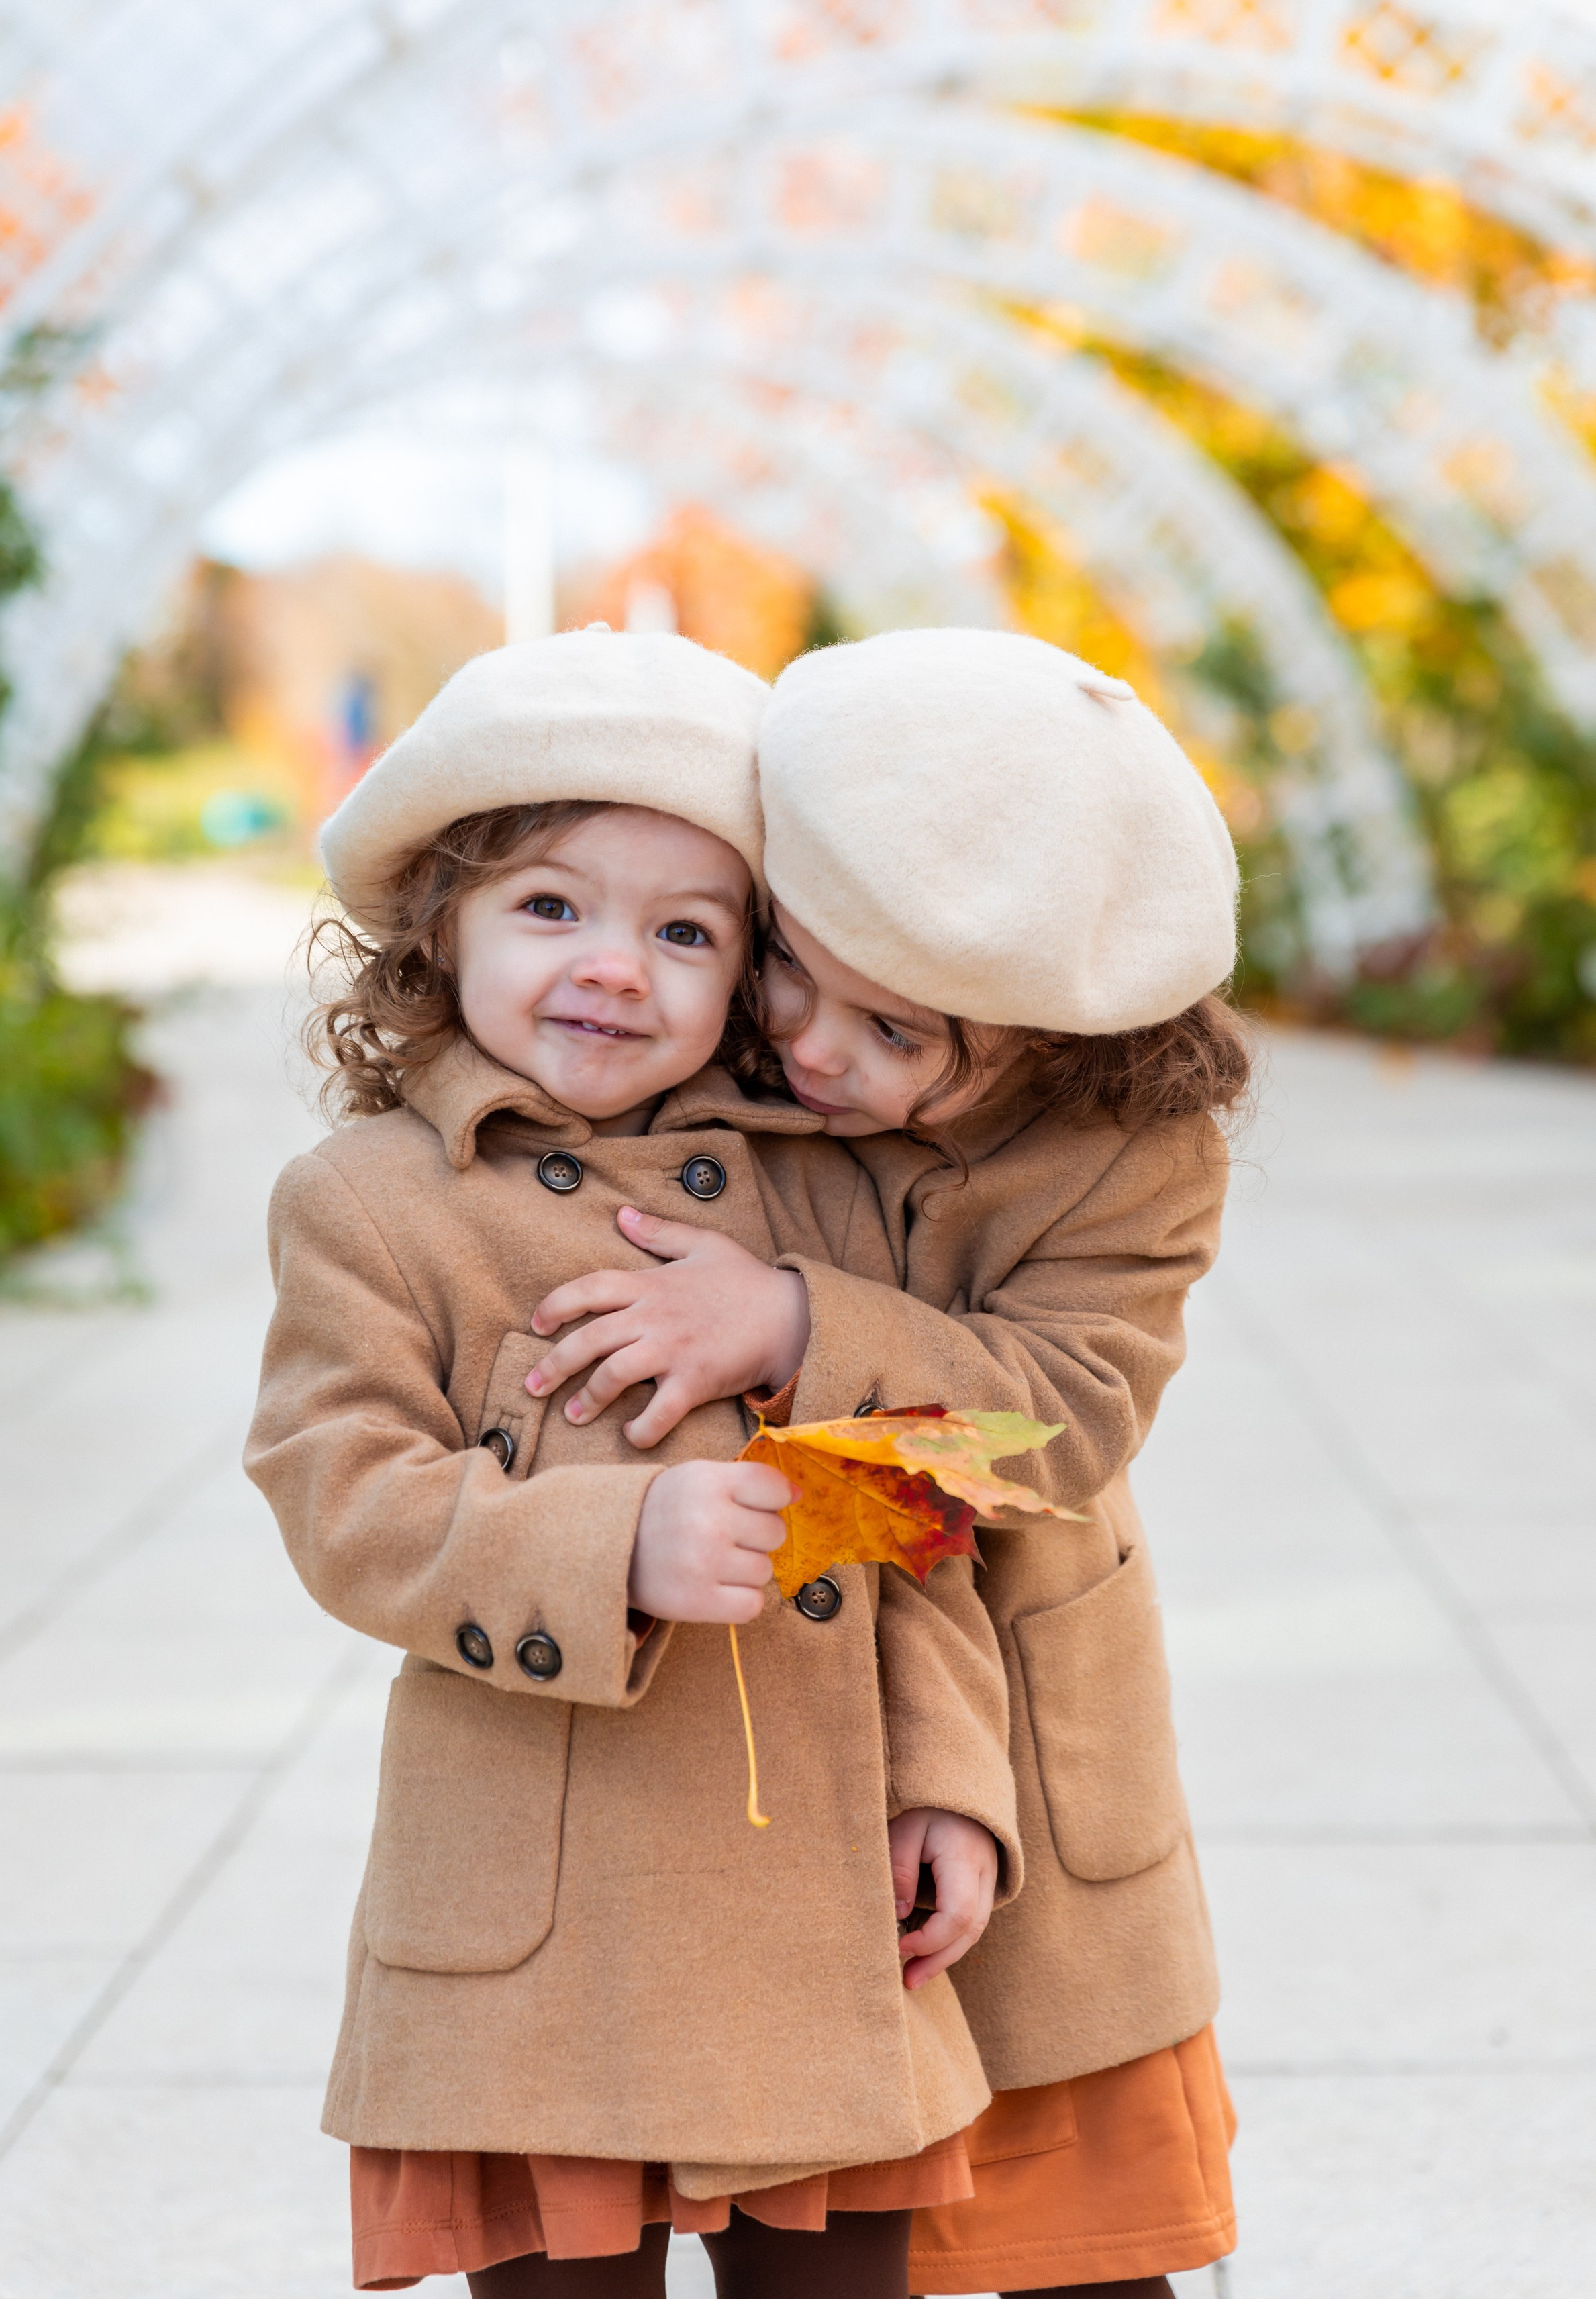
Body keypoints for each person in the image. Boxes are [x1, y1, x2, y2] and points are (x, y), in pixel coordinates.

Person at [243, 627, 1023, 2299]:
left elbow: (919, 1503)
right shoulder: (370, 1205)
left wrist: (949, 1777)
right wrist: (611, 1548)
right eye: (551, 907)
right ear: (436, 921)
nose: (615, 967)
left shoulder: (819, 1199)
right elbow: (340, 1492)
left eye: (685, 931)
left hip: (818, 1901)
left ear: (750, 977)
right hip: (544, 1923)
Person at [523, 629, 1247, 2297]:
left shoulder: (1130, 1157)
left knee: (1076, 2209)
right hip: (770, 1735)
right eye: (793, 971)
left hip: (1029, 1719)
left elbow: (1051, 1425)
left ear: (1051, 1040)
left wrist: (788, 1322)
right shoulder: (720, 1068)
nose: (817, 1052)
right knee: (820, 2191)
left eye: (900, 1033)